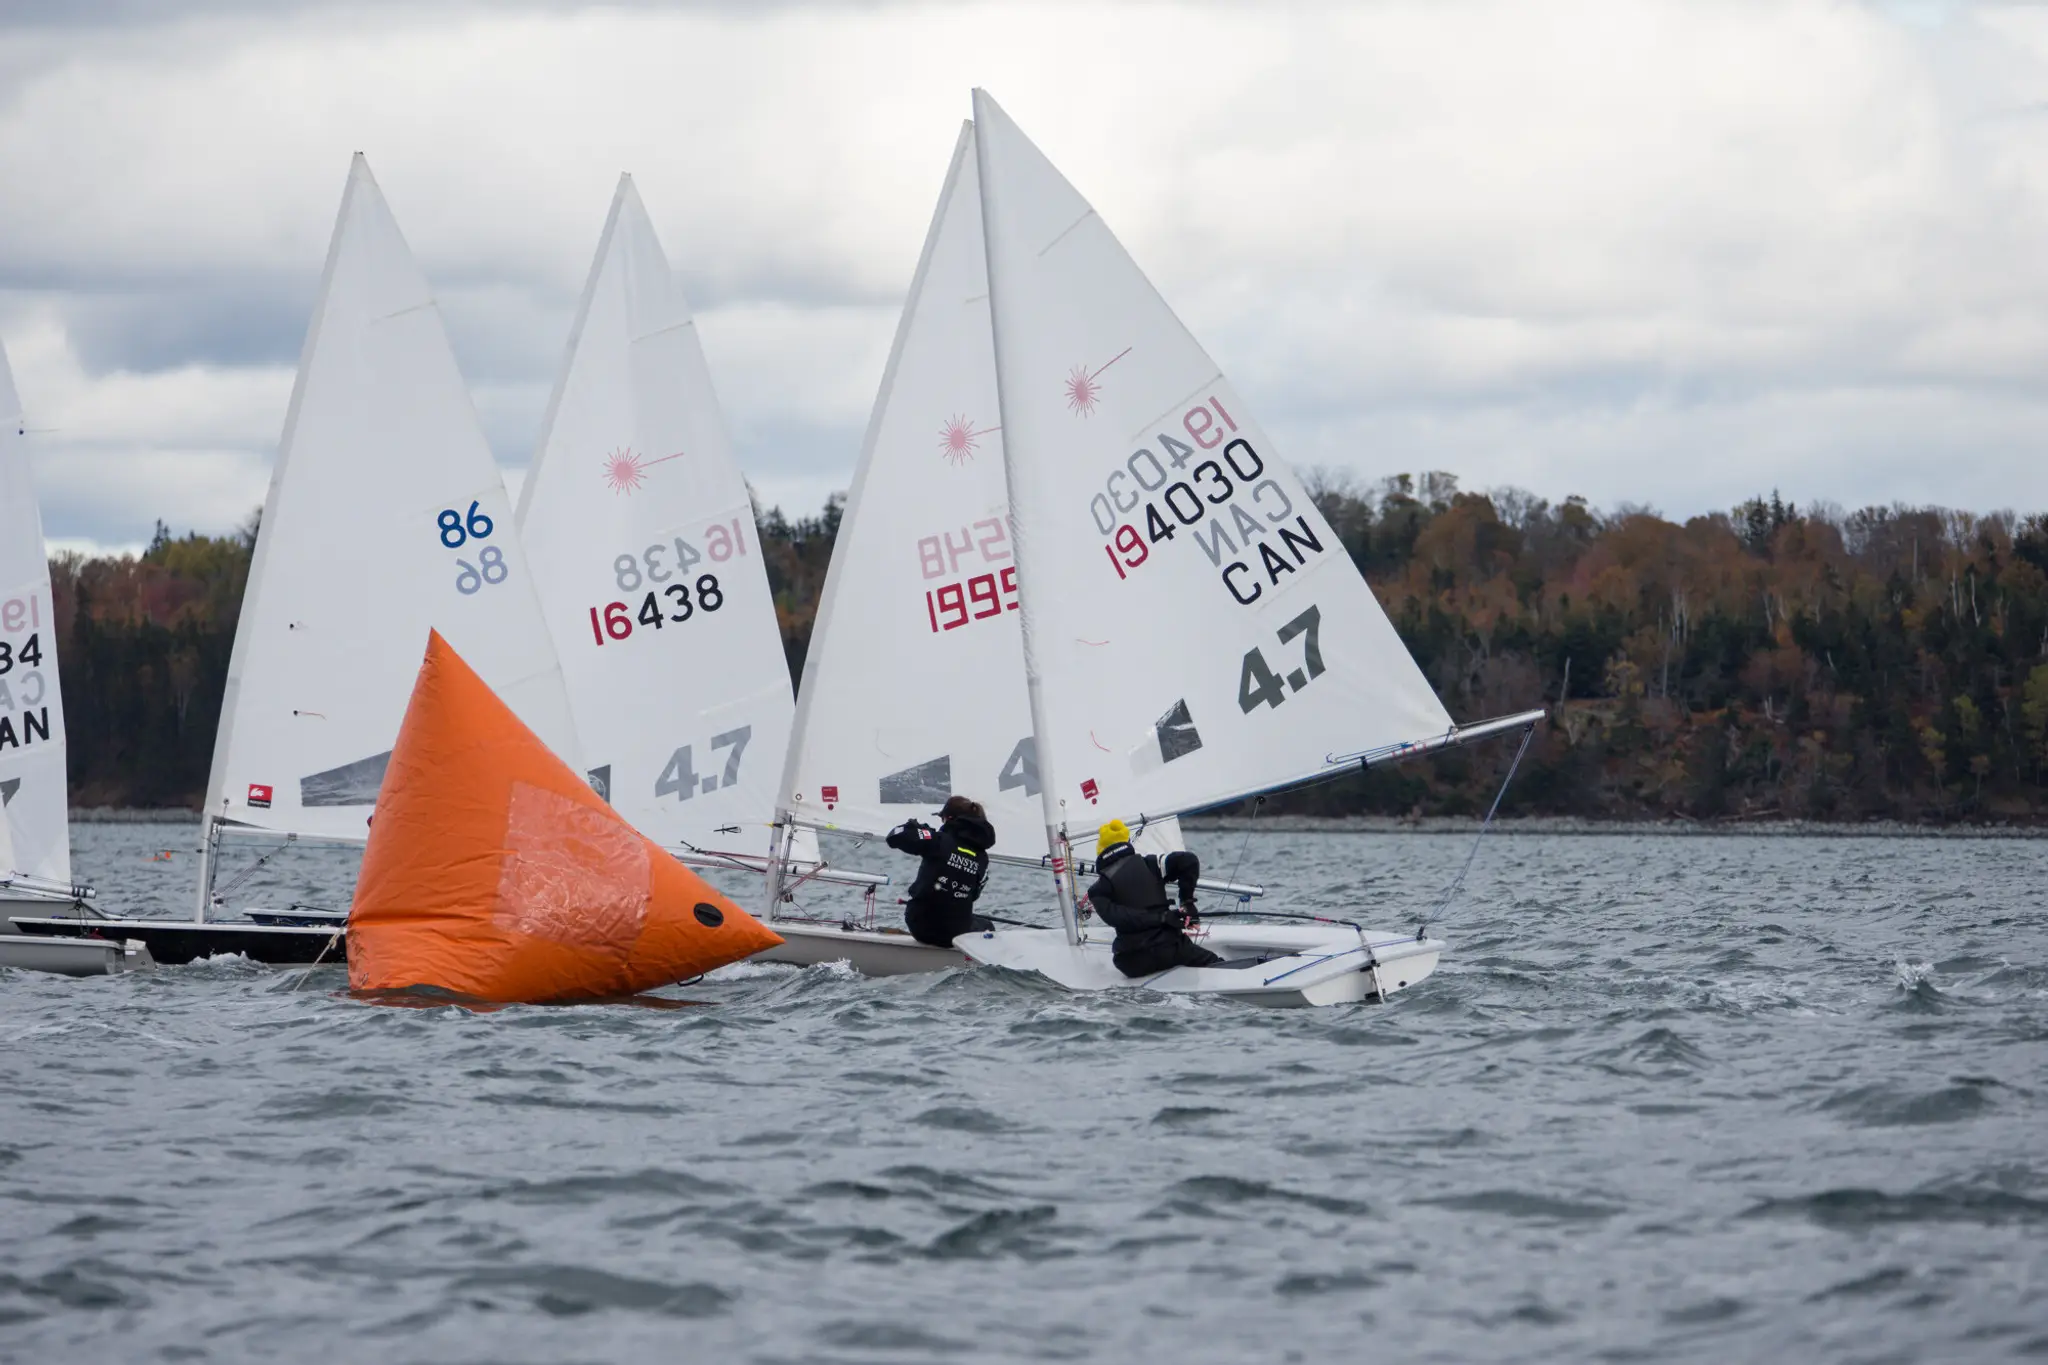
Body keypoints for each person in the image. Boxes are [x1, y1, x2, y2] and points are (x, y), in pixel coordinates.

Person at [1085, 819, 1222, 977]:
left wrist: (1164, 917)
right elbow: (1188, 861)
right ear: (1127, 843)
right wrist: (1187, 902)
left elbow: (1119, 918)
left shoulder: (1097, 890)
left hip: (1132, 962)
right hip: (1171, 949)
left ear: (1100, 851)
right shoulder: (1151, 865)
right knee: (1216, 963)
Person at [886, 795, 997, 946]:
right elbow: (973, 895)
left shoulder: (937, 840)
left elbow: (894, 836)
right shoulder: (982, 858)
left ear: (949, 818)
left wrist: (916, 828)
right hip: (957, 932)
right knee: (987, 926)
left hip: (920, 925)